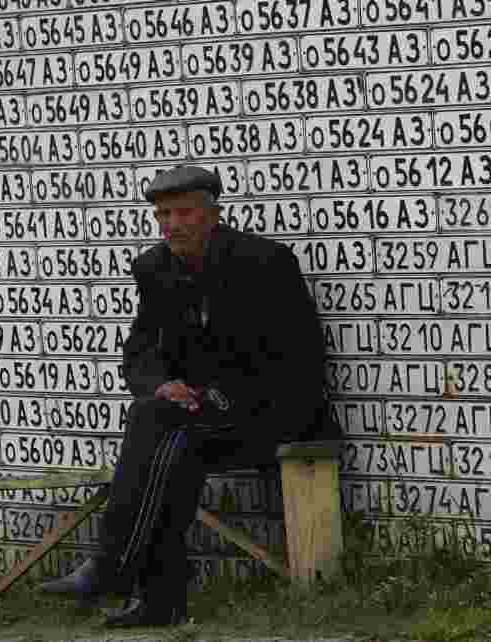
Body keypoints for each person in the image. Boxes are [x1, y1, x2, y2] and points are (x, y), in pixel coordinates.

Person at [38, 164, 340, 628]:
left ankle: (111, 569)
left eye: (183, 213)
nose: (171, 225)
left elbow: (300, 360)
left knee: (158, 427)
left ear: (212, 214)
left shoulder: (264, 262)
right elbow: (140, 351)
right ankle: (158, 602)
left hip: (274, 413)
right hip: (196, 421)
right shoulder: (154, 268)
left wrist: (217, 395)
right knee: (164, 432)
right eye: (163, 215)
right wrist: (162, 385)